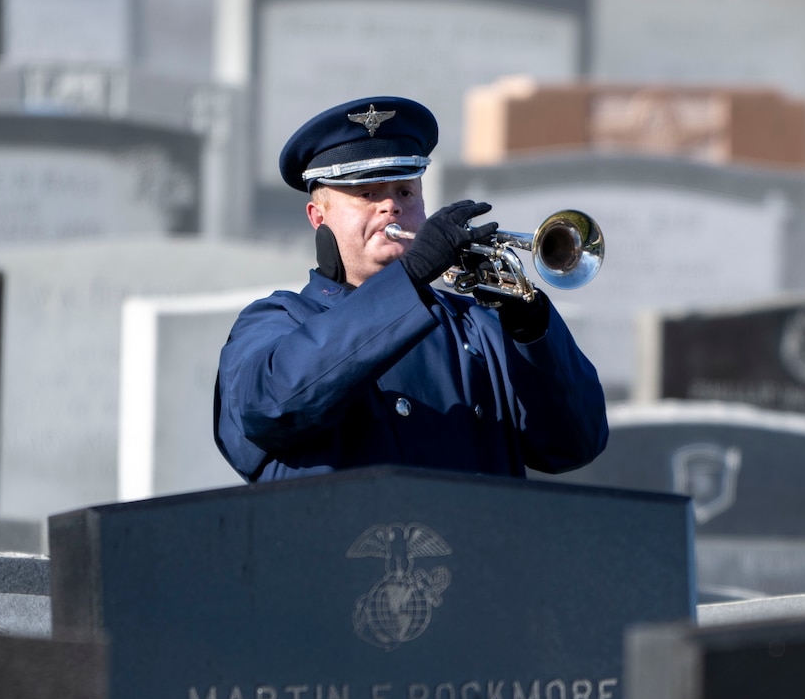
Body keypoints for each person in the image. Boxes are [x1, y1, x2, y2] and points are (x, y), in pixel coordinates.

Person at [214, 95, 607, 482]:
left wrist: (533, 333)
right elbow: (271, 406)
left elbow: (575, 446)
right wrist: (411, 275)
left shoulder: (476, 324)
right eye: (367, 194)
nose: (391, 207)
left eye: (405, 192)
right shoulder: (277, 321)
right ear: (319, 216)